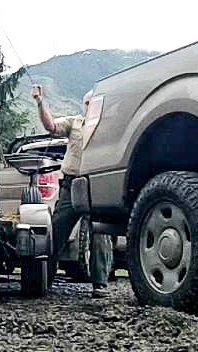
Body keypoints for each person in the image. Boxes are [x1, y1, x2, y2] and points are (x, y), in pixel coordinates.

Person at [32, 84, 113, 298]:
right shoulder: (74, 123)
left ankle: (100, 285)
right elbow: (50, 126)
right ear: (83, 104)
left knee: (100, 232)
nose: (89, 106)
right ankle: (44, 280)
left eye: (93, 103)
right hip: (70, 185)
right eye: (86, 103)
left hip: (95, 185)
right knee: (56, 231)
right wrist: (41, 102)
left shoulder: (107, 125)